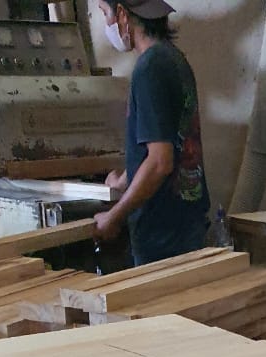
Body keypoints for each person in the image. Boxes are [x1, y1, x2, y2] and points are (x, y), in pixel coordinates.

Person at [93, 0, 209, 265]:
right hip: (185, 222)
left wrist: (114, 216)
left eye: (105, 12)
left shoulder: (149, 68)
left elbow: (159, 162)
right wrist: (125, 182)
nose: (107, 23)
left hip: (161, 235)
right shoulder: (173, 59)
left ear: (122, 14)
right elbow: (169, 140)